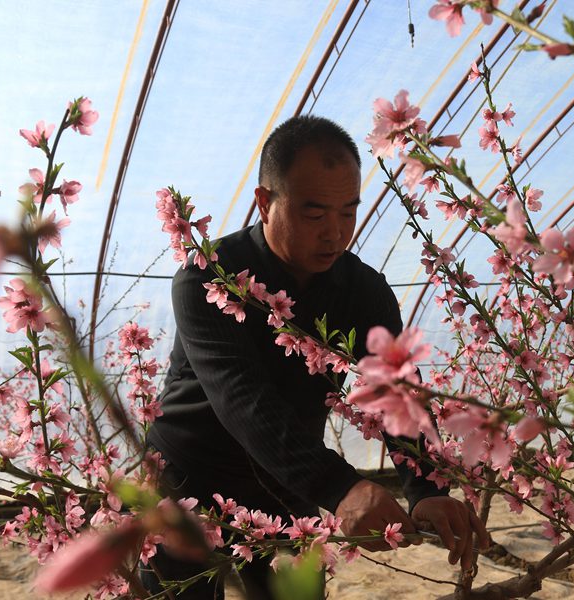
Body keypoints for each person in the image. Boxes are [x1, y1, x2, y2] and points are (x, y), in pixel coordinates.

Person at [143, 115, 488, 599]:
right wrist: (341, 487)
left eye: (348, 212)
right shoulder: (209, 277)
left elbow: (396, 393)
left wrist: (426, 489)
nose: (335, 233)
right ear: (265, 202)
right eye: (314, 214)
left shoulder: (363, 290)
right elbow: (242, 398)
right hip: (186, 476)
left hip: (285, 481)